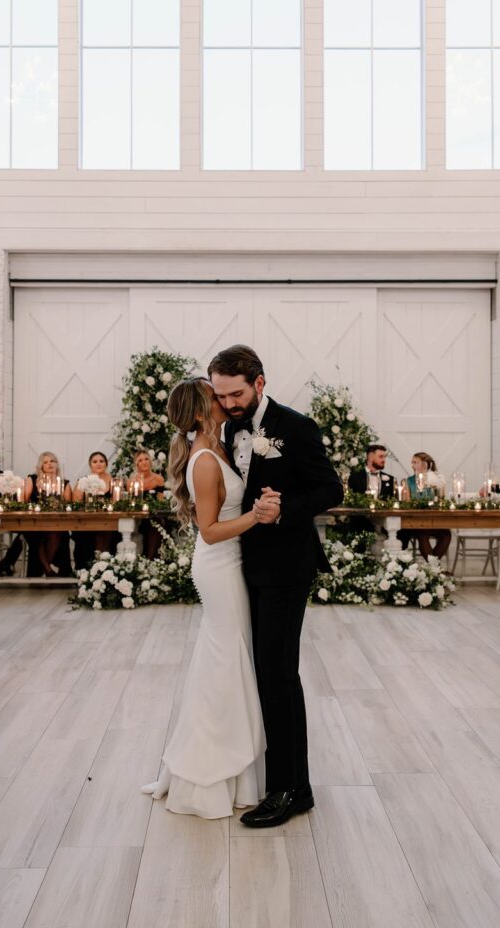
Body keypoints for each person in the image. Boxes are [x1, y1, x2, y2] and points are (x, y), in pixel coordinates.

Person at [210, 345, 343, 828]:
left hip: (287, 565)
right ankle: (272, 777)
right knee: (255, 670)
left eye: (237, 393)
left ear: (260, 383)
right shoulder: (227, 427)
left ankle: (291, 788)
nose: (228, 404)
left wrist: (284, 508)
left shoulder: (297, 427)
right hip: (241, 565)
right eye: (221, 395)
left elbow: (331, 489)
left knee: (278, 673)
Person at [142, 377, 266, 818]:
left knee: (225, 658)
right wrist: (256, 515)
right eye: (214, 396)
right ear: (199, 411)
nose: (223, 400)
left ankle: (231, 764)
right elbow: (210, 532)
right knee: (225, 658)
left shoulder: (216, 447)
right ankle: (211, 770)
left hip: (230, 564)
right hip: (219, 565)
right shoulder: (205, 461)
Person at [24, 452, 73, 576]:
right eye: (45, 462)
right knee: (37, 536)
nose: (49, 464)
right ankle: (48, 569)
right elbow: (24, 501)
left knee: (57, 532)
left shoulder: (64, 484)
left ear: (57, 464)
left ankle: (44, 568)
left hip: (56, 522)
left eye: (52, 461)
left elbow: (68, 506)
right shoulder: (32, 479)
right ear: (41, 466)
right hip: (34, 522)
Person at [401, 452, 451, 560]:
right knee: (422, 535)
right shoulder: (409, 481)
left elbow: (441, 499)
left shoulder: (435, 479)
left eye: (416, 462)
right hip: (418, 522)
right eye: (412, 463)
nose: (413, 465)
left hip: (435, 520)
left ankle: (432, 568)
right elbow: (407, 503)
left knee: (446, 535)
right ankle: (434, 569)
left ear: (425, 464)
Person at [71, 451, 117, 568]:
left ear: (106, 464)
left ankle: (104, 566)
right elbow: (76, 502)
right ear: (90, 464)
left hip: (108, 521)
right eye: (95, 461)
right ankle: (85, 569)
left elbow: (117, 503)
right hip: (87, 521)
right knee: (84, 535)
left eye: (101, 461)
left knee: (106, 532)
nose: (98, 464)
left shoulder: (114, 481)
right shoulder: (83, 481)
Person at [128, 449, 166, 560]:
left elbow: (160, 502)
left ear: (150, 461)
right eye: (140, 460)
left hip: (154, 513)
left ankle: (151, 560)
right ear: (136, 464)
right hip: (138, 515)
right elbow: (131, 502)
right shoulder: (132, 481)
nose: (144, 462)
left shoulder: (158, 479)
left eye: (146, 459)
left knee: (157, 522)